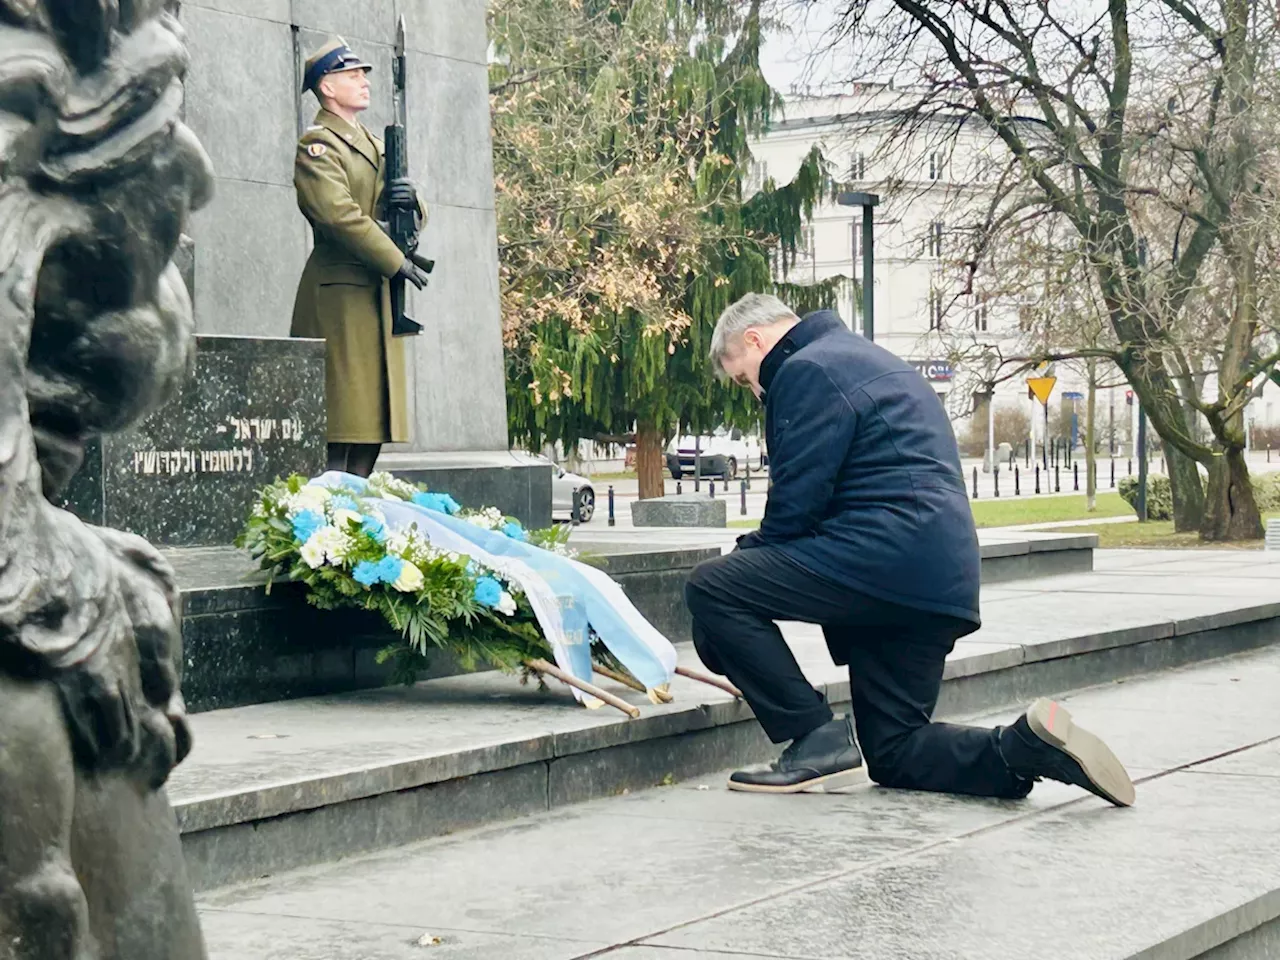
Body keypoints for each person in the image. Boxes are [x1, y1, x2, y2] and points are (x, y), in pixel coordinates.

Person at [685, 293, 1135, 806]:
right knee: (894, 749)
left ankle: (816, 734)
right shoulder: (868, 359)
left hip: (883, 558)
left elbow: (795, 507)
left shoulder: (805, 369)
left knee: (711, 585)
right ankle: (1022, 750)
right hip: (935, 575)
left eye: (745, 377)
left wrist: (721, 600)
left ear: (755, 339)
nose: (756, 392)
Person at [291, 38, 430, 478]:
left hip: (376, 294)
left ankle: (349, 529)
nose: (364, 82)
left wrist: (412, 204)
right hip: (340, 298)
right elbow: (337, 216)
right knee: (339, 425)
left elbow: (405, 209)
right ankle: (325, 534)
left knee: (370, 425)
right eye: (353, 75)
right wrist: (395, 259)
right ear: (327, 87)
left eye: (364, 74)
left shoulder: (377, 143)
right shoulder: (319, 146)